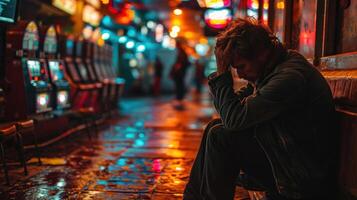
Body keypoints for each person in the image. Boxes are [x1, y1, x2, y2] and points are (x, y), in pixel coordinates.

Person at [184, 18, 338, 200]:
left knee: (221, 136)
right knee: (214, 128)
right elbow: (230, 114)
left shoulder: (288, 77)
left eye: (241, 67)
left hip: (301, 175)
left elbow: (234, 120)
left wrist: (222, 73)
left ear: (261, 54)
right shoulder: (271, 68)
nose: (240, 74)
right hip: (284, 157)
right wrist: (222, 79)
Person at [170, 40, 190, 109]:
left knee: (179, 85)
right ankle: (179, 98)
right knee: (180, 85)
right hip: (181, 73)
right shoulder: (182, 52)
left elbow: (180, 63)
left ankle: (179, 98)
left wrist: (176, 69)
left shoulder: (181, 52)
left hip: (179, 73)